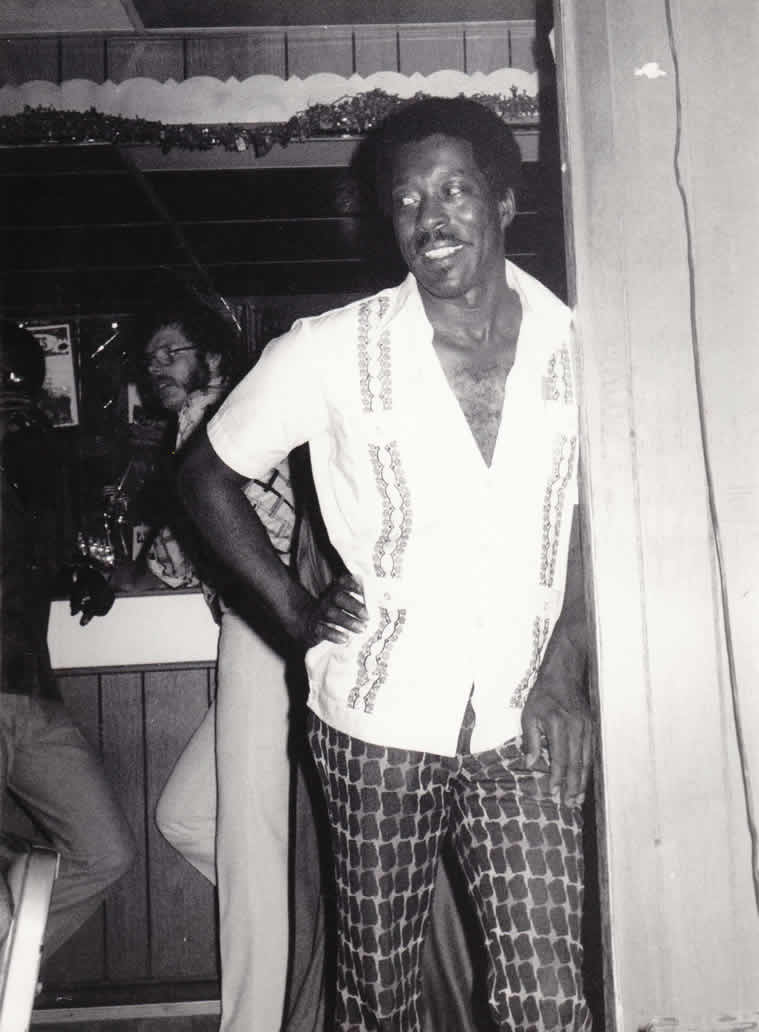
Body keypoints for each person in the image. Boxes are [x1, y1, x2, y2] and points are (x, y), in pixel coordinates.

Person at [177, 97, 593, 1032]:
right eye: (407, 201)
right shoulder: (328, 350)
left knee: (547, 999)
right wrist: (291, 616)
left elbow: (590, 517)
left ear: (502, 202)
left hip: (522, 719)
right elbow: (204, 476)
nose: (430, 219)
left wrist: (567, 659)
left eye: (453, 191)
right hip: (373, 720)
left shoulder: (581, 344)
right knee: (374, 999)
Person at [136, 300, 327, 1032]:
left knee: (250, 845)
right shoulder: (216, 427)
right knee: (188, 816)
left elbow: (227, 543)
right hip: (264, 635)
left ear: (212, 356)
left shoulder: (211, 420)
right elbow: (181, 563)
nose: (158, 369)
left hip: (262, 632)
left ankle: (255, 1021)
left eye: (171, 352)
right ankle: (310, 929)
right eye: (150, 358)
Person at [0, 320, 136, 960]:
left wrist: (81, 569)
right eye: (2, 378)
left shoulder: (31, 467)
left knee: (103, 851)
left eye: (23, 380)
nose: (14, 392)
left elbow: (36, 557)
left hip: (32, 697)